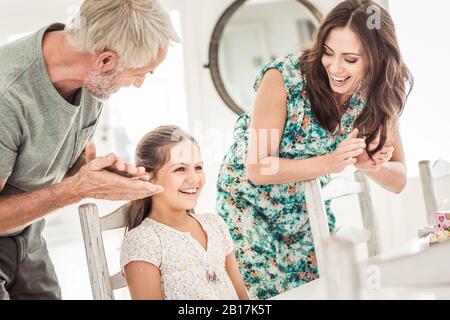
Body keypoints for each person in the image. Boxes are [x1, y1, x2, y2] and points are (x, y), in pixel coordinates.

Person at [216, 0, 413, 299]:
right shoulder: (283, 78)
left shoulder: (378, 92)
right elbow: (258, 168)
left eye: (350, 59)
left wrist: (366, 163)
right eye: (328, 53)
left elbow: (398, 180)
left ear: (376, 58)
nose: (335, 67)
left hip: (307, 207)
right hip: (248, 207)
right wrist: (331, 163)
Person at [0, 0, 179, 299]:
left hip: (27, 231)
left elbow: (47, 163)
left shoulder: (93, 80)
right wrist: (78, 189)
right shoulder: (8, 96)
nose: (138, 85)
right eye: (140, 73)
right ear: (106, 60)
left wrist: (86, 170)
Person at [120, 126, 249, 300]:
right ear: (147, 177)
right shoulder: (143, 240)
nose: (194, 179)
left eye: (198, 167)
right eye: (180, 169)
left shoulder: (215, 224)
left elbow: (242, 297)